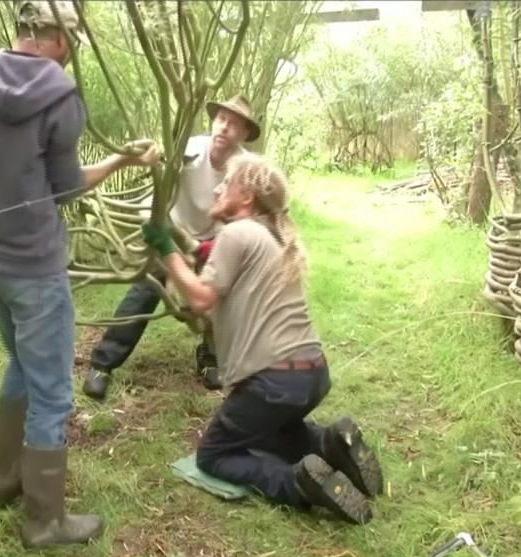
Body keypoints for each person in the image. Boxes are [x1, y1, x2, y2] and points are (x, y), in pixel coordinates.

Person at [0, 1, 159, 548]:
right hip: (34, 266)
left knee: (23, 364)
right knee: (53, 393)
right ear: (58, 38)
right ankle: (45, 520)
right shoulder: (60, 95)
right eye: (72, 41)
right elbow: (67, 187)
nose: (72, 52)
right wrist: (124, 162)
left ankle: (5, 477)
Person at [139, 155, 384, 524]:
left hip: (272, 382)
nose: (218, 187)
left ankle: (297, 483)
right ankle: (330, 443)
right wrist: (186, 260)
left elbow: (202, 299)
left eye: (227, 183)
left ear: (247, 196)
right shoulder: (274, 239)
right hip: (312, 375)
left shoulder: (236, 233)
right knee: (264, 431)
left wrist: (166, 251)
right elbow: (216, 302)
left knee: (214, 454)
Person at [83, 96, 260, 400]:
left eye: (234, 124)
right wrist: (157, 226)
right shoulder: (189, 150)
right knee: (146, 289)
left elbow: (245, 219)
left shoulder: (245, 170)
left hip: (214, 240)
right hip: (173, 232)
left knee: (220, 295)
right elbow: (159, 185)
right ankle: (102, 364)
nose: (225, 128)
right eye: (222, 120)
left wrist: (214, 248)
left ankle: (211, 357)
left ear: (244, 134)